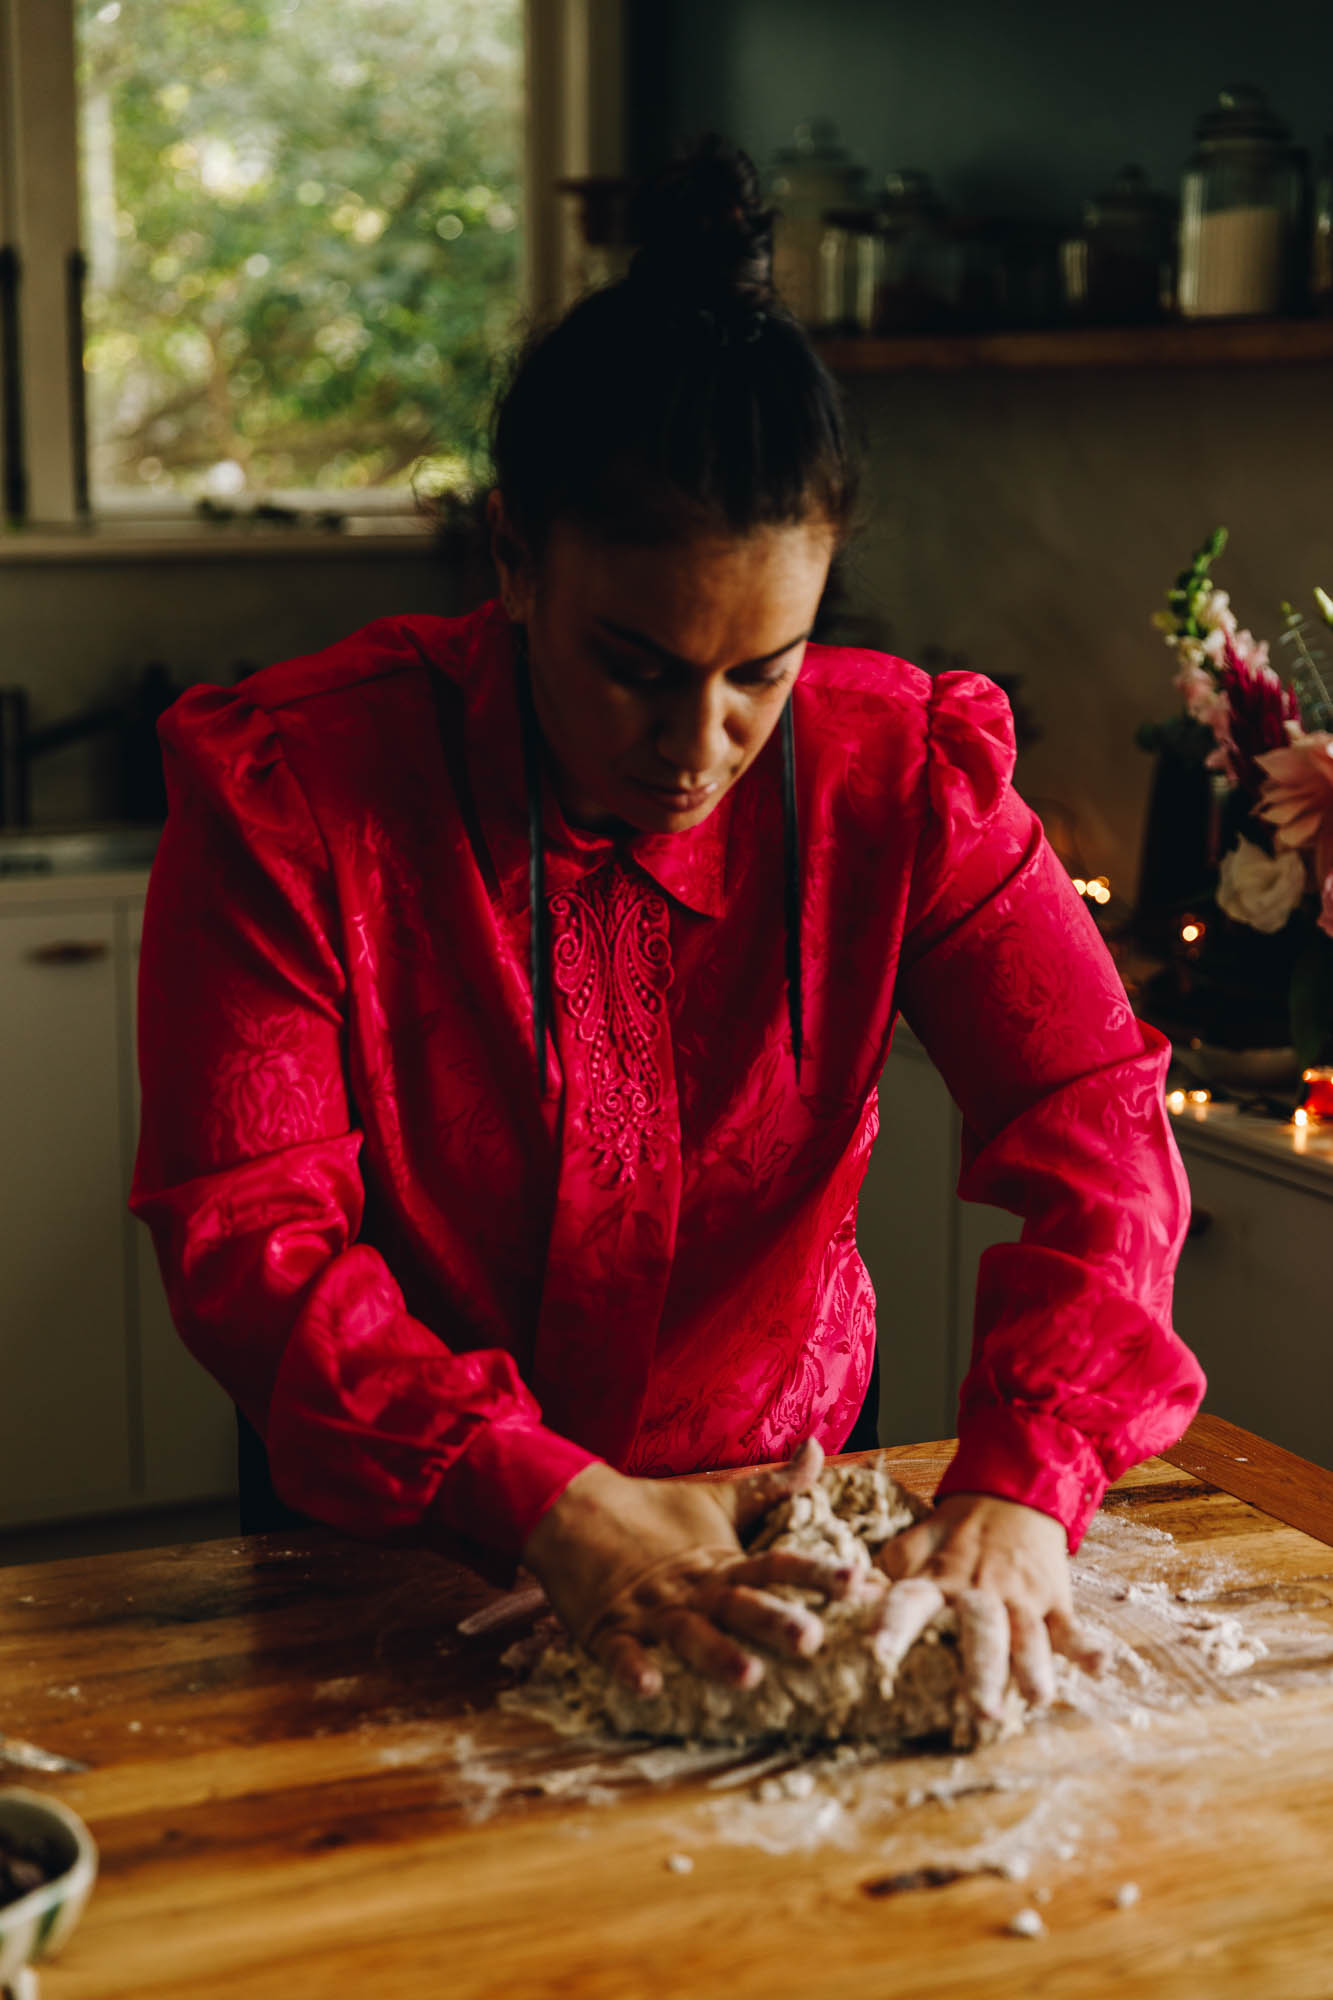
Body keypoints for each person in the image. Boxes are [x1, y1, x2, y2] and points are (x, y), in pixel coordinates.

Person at [131, 142, 1205, 1723]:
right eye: (632, 665)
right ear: (512, 559)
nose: (697, 744)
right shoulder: (296, 791)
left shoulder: (900, 775)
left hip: (787, 1487)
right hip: (405, 1527)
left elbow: (1090, 1117)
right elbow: (253, 1235)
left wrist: (1026, 1481)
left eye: (760, 671)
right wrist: (542, 1497)